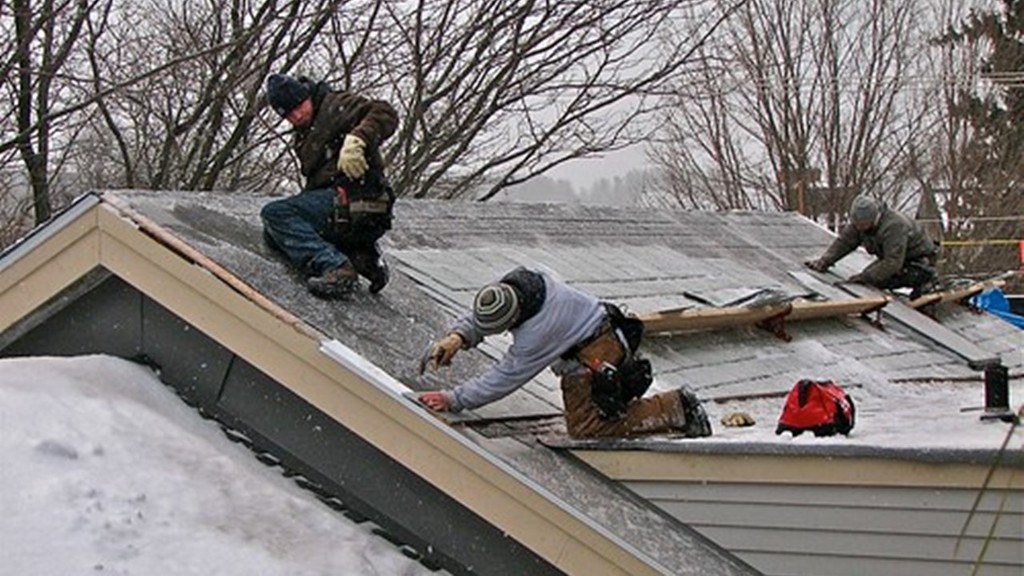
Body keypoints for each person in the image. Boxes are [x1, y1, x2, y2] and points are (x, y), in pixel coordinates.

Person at [417, 267, 713, 439]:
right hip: (604, 330)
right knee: (605, 406)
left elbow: (506, 377)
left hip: (596, 353)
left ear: (516, 318)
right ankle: (621, 399)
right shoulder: (518, 285)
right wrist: (457, 337)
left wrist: (454, 399)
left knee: (588, 427)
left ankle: (677, 407)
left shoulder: (538, 332)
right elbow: (486, 315)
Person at [261, 72, 399, 298]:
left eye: (298, 107)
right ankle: (362, 256)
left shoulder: (335, 105)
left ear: (306, 95)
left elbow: (385, 112)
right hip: (345, 208)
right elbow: (316, 186)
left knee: (275, 214)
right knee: (275, 235)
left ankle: (337, 267)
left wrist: (358, 139)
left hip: (362, 199)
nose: (296, 116)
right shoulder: (304, 136)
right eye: (289, 115)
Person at [805, 195, 939, 299]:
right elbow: (845, 242)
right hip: (895, 258)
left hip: (918, 258)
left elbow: (892, 262)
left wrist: (865, 277)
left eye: (863, 225)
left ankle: (927, 280)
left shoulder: (894, 226)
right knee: (871, 279)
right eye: (857, 225)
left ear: (875, 219)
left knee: (876, 279)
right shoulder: (858, 224)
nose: (859, 228)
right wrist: (825, 261)